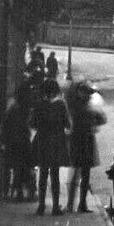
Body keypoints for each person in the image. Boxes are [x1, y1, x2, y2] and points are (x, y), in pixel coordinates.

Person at [30, 78, 71, 216]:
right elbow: (68, 124)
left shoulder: (38, 105)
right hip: (56, 142)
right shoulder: (61, 105)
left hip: (42, 141)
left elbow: (32, 124)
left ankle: (41, 206)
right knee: (55, 175)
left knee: (42, 174)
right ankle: (55, 207)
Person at [66, 82, 107, 212]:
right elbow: (102, 119)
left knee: (78, 174)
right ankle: (80, 204)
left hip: (78, 141)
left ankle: (73, 204)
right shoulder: (85, 108)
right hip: (85, 141)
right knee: (83, 174)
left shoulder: (76, 106)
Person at [1, 91, 34, 201]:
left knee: (17, 168)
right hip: (21, 142)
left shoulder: (13, 110)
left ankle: (17, 191)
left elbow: (6, 126)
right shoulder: (22, 111)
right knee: (23, 167)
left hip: (14, 142)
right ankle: (22, 192)